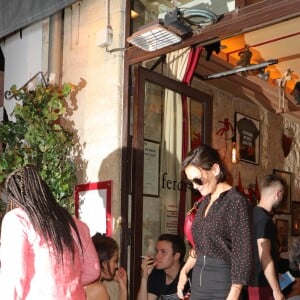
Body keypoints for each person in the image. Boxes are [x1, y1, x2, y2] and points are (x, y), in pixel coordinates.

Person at [0, 164, 100, 299]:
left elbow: (13, 275)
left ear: (14, 198)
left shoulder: (17, 218)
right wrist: (65, 286)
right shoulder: (76, 224)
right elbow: (93, 271)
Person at [177, 144, 253, 300]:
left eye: (198, 179)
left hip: (222, 285)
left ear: (215, 170)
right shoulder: (204, 202)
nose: (195, 186)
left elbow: (243, 252)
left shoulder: (235, 202)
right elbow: (200, 246)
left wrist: (235, 293)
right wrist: (184, 271)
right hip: (198, 284)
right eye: (191, 182)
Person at [248, 174, 287, 300]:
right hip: (262, 286)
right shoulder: (264, 220)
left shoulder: (251, 214)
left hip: (251, 283)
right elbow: (264, 256)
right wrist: (277, 291)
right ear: (279, 193)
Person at [137, 233, 190, 300]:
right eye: (157, 251)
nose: (157, 256)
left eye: (163, 252)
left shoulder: (190, 274)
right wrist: (144, 278)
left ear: (176, 256)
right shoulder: (157, 274)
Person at [85, 233, 127, 300]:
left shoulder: (87, 283)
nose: (116, 266)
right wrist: (124, 288)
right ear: (104, 263)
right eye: (115, 261)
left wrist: (122, 285)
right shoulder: (98, 289)